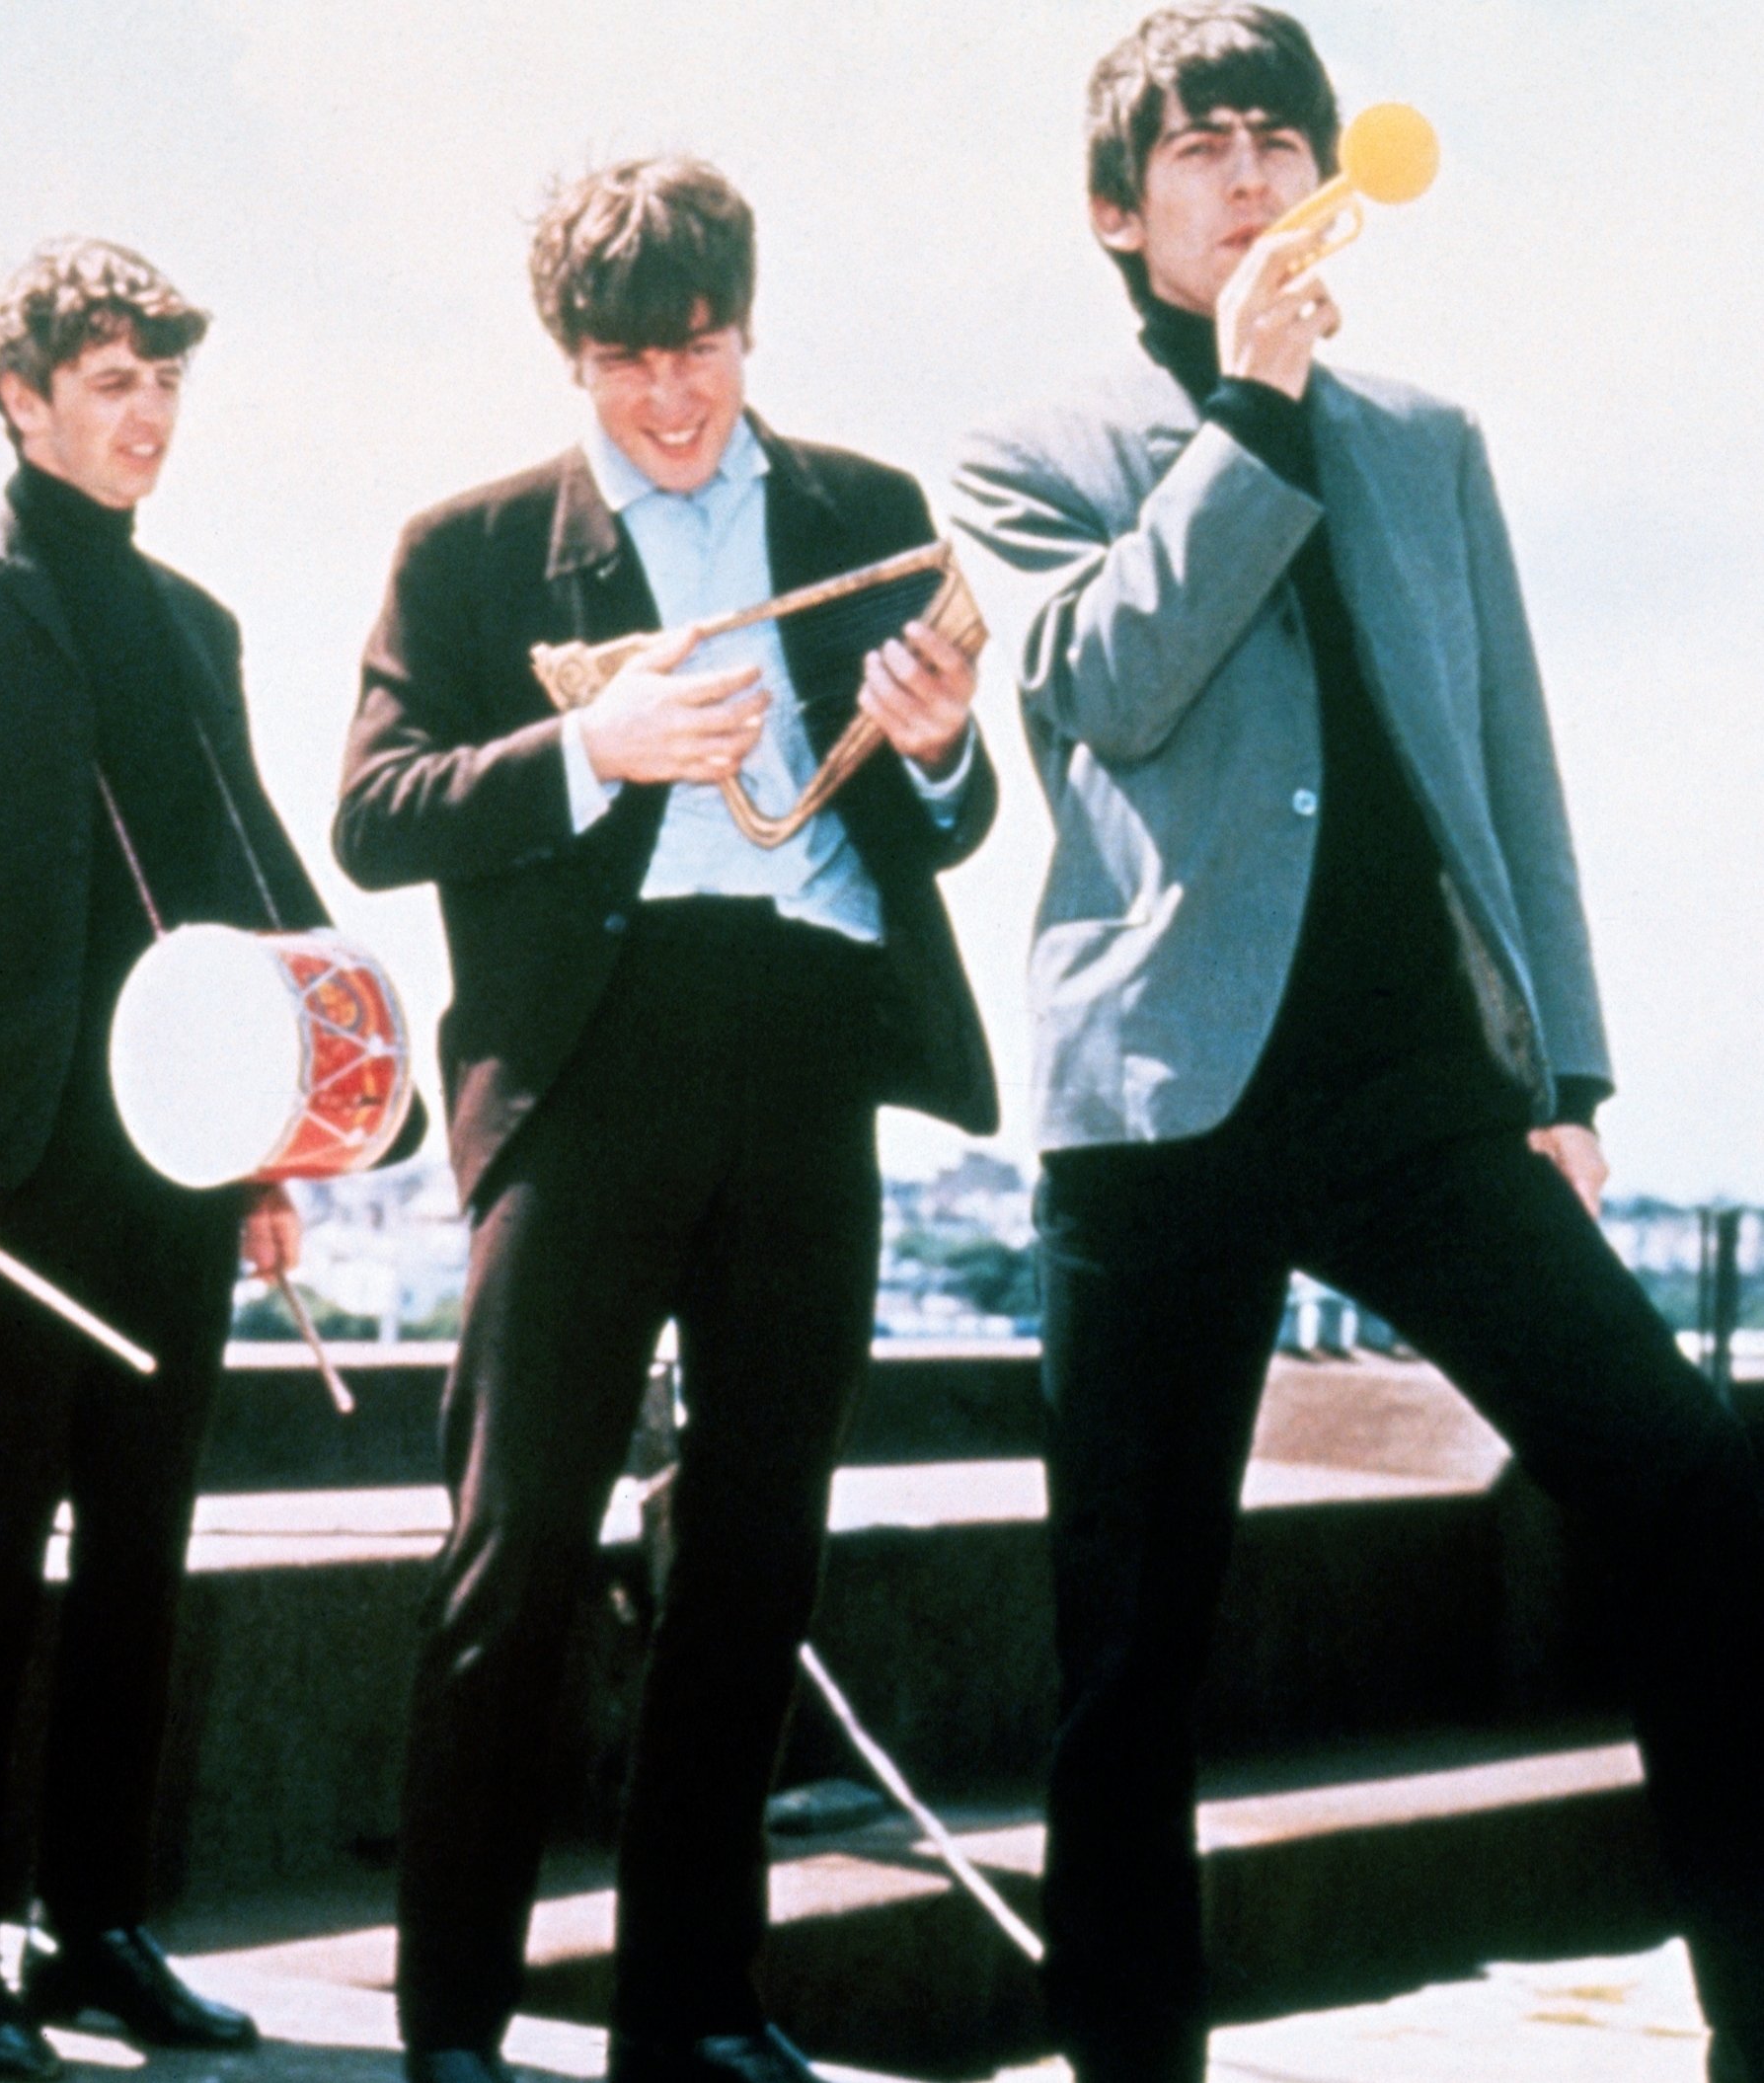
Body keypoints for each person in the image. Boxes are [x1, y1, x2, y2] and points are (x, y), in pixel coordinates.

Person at [955, 10, 1764, 2079]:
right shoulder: (1027, 451)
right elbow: (1106, 689)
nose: (1243, 174)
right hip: (1157, 1104)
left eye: (1271, 137)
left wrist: (1562, 1080)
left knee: (1688, 1484)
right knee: (1129, 1644)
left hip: (1416, 1089)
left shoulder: (1428, 435)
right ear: (1116, 213)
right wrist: (1248, 410)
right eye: (1196, 148)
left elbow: (1506, 763)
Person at [336, 157, 998, 2083]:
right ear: (568, 358)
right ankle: (450, 2023)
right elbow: (372, 808)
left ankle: (695, 2008)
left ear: (747, 325)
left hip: (804, 1044)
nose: (671, 400)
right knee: (515, 1543)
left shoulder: (867, 514)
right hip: (584, 1065)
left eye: (698, 349)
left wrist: (943, 749)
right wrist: (581, 752)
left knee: (753, 1549)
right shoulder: (464, 550)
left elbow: (949, 811)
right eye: (624, 362)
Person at [0, 237, 374, 2080]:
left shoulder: (195, 623)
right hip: (0, 1183)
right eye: (111, 383)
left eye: (164, 383)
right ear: (22, 401)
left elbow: (239, 882)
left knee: (142, 1560)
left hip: (177, 1174)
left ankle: (98, 1926)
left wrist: (284, 1141)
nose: (148, 417)